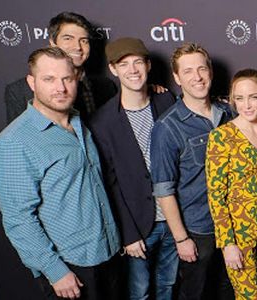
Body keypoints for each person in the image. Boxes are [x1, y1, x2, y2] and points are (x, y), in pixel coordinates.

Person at [0, 47, 120, 299]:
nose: (60, 88)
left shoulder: (78, 122)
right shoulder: (14, 141)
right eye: (49, 79)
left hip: (108, 252)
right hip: (71, 267)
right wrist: (55, 271)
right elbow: (19, 219)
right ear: (32, 82)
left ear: (76, 80)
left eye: (67, 79)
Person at [88, 37, 176, 300]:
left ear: (148, 65)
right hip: (139, 226)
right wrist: (127, 234)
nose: (133, 70)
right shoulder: (102, 122)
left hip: (173, 219)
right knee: (140, 292)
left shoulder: (166, 101)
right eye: (124, 64)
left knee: (168, 285)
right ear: (113, 70)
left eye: (138, 62)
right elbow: (109, 184)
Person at [150, 43, 234, 300]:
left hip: (232, 226)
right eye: (187, 71)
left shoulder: (229, 113)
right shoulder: (167, 127)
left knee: (228, 293)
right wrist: (181, 239)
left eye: (201, 69)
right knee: (195, 294)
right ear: (176, 78)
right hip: (199, 230)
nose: (197, 77)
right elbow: (164, 190)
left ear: (210, 72)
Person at [206, 69, 257, 300]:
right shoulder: (221, 137)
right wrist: (227, 243)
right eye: (239, 98)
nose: (246, 105)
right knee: (248, 296)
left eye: (253, 97)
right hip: (239, 232)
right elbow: (216, 194)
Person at [4, 11, 116, 123]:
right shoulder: (20, 91)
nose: (77, 47)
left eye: (83, 41)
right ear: (53, 43)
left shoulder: (107, 87)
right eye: (68, 38)